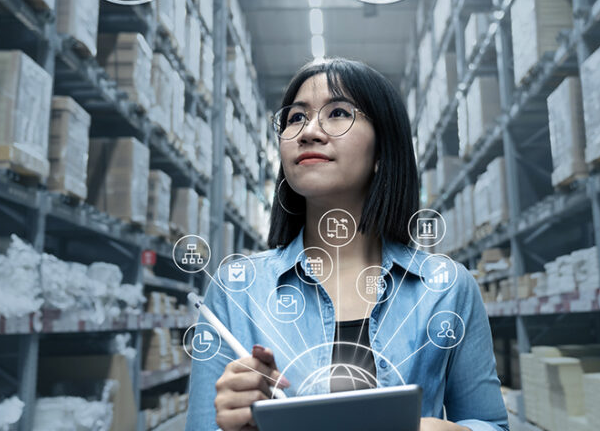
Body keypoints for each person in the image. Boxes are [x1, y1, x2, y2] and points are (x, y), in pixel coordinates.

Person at [186, 58, 508, 431]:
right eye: (295, 118)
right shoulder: (236, 289)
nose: (309, 132)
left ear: (382, 149)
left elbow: (490, 423)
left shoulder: (447, 287)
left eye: (338, 113)